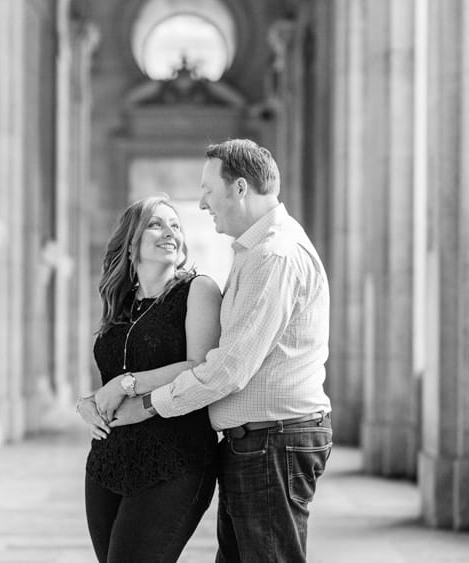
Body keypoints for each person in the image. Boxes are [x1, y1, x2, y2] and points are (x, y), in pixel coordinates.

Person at [110, 139, 333, 563]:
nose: (202, 202)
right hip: (256, 442)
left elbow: (229, 368)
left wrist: (150, 404)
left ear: (241, 188)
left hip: (273, 441)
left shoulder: (274, 256)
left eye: (208, 190)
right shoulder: (256, 251)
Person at [76, 194, 222, 563]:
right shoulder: (119, 303)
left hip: (175, 462)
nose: (169, 232)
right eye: (156, 224)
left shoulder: (197, 290)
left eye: (175, 225)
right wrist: (88, 403)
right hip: (107, 462)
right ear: (131, 244)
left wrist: (125, 383)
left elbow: (200, 365)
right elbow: (112, 376)